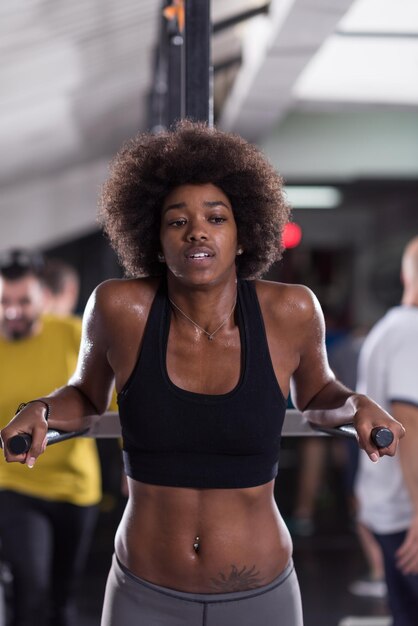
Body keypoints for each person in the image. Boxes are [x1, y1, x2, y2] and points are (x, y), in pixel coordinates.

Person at [0, 122, 404, 626]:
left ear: (241, 235)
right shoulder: (120, 308)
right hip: (143, 591)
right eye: (177, 221)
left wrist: (356, 406)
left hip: (261, 592)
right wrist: (39, 409)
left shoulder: (291, 311)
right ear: (154, 239)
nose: (197, 230)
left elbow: (320, 392)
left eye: (216, 217)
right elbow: (85, 396)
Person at [0, 249, 102, 626]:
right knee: (32, 593)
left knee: (62, 600)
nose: (13, 311)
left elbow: (116, 399)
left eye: (23, 301)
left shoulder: (73, 334)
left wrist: (131, 460)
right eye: (4, 302)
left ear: (42, 298)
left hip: (76, 487)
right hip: (14, 484)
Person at [354, 235, 418, 625]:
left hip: (393, 513)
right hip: (409, 517)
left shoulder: (389, 328)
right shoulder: (412, 332)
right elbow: (407, 423)